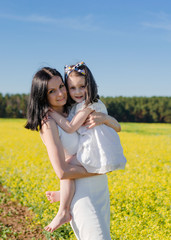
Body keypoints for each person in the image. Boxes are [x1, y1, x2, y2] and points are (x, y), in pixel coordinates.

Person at [25, 67, 121, 239]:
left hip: (99, 188)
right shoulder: (48, 122)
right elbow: (62, 171)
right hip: (83, 195)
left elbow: (118, 127)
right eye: (52, 91)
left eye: (61, 86)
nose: (61, 93)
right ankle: (64, 208)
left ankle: (64, 196)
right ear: (42, 95)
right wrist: (100, 169)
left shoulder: (75, 109)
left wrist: (104, 119)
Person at [50, 61, 127, 174]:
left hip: (94, 151)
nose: (78, 92)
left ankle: (64, 193)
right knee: (67, 167)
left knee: (66, 167)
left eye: (82, 86)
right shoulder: (77, 106)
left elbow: (70, 127)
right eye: (72, 88)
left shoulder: (88, 106)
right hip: (93, 150)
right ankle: (63, 192)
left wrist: (51, 113)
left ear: (89, 85)